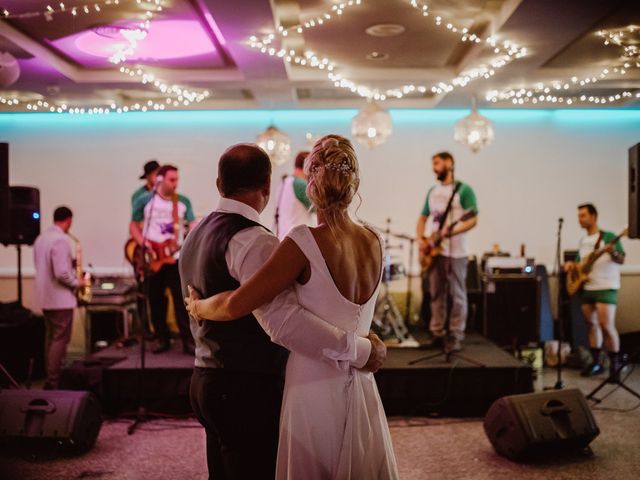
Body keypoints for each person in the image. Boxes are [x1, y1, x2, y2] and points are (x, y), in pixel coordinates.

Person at [184, 136, 398, 479]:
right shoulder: (374, 239)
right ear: (353, 183)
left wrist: (199, 308)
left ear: (309, 186)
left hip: (313, 379)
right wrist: (362, 349)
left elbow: (243, 304)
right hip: (361, 379)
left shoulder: (300, 241)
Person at [130, 164, 197, 354]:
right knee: (156, 300)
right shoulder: (144, 200)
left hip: (174, 257)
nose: (176, 183)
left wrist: (192, 232)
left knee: (181, 299)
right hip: (152, 257)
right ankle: (162, 338)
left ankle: (187, 340)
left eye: (177, 179)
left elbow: (191, 223)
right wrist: (143, 242)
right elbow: (133, 225)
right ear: (160, 179)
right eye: (172, 180)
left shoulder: (182, 202)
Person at [416, 151, 478, 352]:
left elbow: (472, 219)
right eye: (432, 164)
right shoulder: (432, 191)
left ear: (450, 163)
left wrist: (452, 231)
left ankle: (455, 334)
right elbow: (423, 218)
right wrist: (421, 239)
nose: (434, 167)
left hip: (457, 251)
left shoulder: (464, 190)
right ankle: (437, 333)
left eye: (437, 163)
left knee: (457, 294)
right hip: (435, 251)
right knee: (436, 293)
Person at [565, 203, 625, 382]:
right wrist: (571, 266)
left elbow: (621, 259)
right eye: (578, 216)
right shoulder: (583, 242)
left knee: (607, 325)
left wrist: (613, 251)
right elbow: (579, 263)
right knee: (591, 325)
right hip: (587, 287)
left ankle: (615, 366)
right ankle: (596, 362)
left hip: (606, 287)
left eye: (583, 215)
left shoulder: (609, 237)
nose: (580, 219)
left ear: (594, 216)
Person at [33, 206, 88, 389]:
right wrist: (78, 283)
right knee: (60, 340)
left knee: (50, 338)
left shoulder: (41, 239)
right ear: (69, 220)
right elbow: (61, 273)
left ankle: (50, 376)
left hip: (45, 298)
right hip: (59, 300)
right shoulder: (61, 240)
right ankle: (54, 381)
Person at [275, 150, 316, 239]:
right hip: (298, 239)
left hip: (282, 238)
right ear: (307, 167)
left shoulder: (283, 183)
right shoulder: (301, 185)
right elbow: (317, 208)